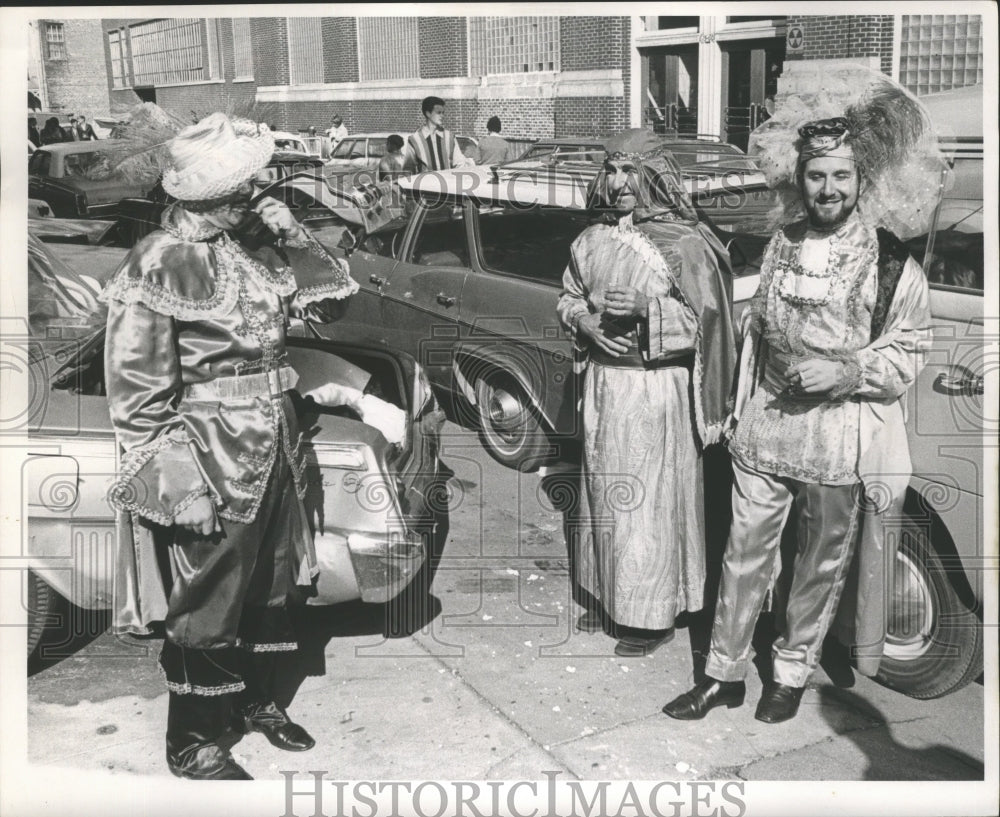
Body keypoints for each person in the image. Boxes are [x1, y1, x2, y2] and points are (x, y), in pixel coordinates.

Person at [663, 73, 938, 724]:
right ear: (800, 174)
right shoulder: (783, 240)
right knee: (742, 556)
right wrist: (739, 406)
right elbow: (758, 328)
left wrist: (847, 372)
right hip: (764, 434)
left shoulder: (893, 265)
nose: (829, 188)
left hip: (837, 445)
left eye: (842, 175)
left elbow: (910, 347)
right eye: (817, 175)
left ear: (863, 178)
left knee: (819, 564)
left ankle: (788, 674)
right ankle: (722, 674)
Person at [102, 113, 359, 779]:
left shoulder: (253, 249)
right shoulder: (158, 263)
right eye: (248, 186)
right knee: (208, 595)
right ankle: (194, 740)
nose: (258, 193)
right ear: (214, 192)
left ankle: (254, 702)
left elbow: (332, 305)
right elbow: (136, 395)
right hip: (211, 458)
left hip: (278, 446)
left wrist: (297, 236)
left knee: (271, 585)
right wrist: (177, 484)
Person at [557, 129, 737, 657]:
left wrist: (647, 309)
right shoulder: (590, 240)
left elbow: (711, 325)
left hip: (654, 390)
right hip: (602, 387)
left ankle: (650, 616)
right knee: (604, 496)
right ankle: (606, 595)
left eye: (628, 172)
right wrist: (583, 321)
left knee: (647, 504)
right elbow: (566, 297)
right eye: (610, 171)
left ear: (654, 174)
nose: (617, 185)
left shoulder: (686, 243)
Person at [402, 95, 473, 173]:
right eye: (438, 113)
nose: (442, 116)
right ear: (428, 113)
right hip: (426, 184)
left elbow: (459, 163)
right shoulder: (415, 139)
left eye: (443, 112)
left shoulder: (449, 136)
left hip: (447, 183)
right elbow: (408, 169)